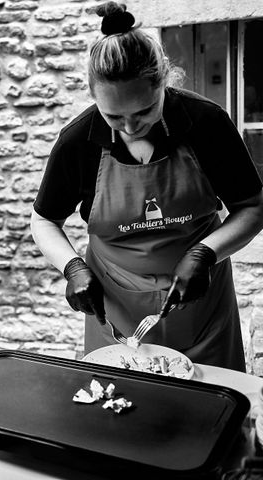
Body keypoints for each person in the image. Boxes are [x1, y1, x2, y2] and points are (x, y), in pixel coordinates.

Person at [31, 1, 263, 371]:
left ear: (164, 84)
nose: (129, 127)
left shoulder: (206, 124)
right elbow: (44, 220)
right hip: (117, 314)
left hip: (201, 304)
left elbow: (253, 206)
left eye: (143, 111)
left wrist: (206, 254)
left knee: (213, 410)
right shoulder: (78, 141)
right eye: (113, 116)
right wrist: (72, 267)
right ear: (94, 96)